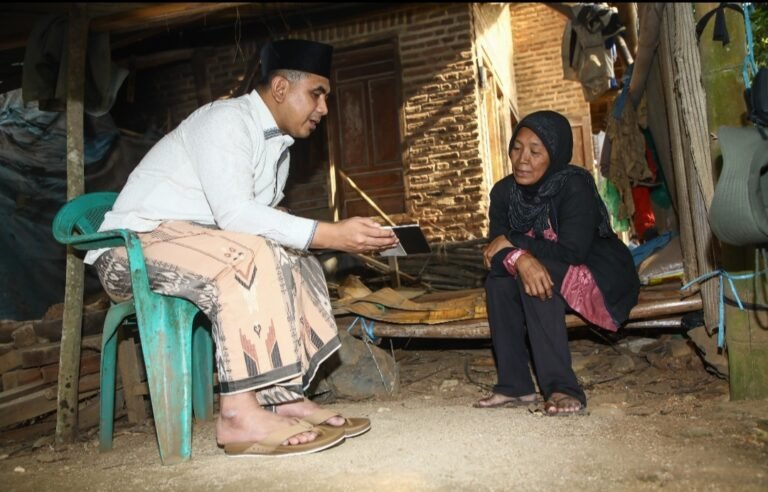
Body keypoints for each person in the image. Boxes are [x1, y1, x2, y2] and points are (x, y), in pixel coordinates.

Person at [84, 39, 400, 456]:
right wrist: (331, 233)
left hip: (190, 243)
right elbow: (235, 215)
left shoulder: (278, 148)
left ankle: (282, 397)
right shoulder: (226, 121)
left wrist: (314, 235)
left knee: (293, 256)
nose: (324, 108)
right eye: (317, 94)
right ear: (281, 88)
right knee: (249, 256)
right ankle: (237, 413)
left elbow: (257, 220)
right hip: (130, 253)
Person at [475, 110, 639, 416]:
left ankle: (562, 387)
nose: (522, 159)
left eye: (535, 152)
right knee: (498, 282)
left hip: (597, 271)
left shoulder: (574, 185)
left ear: (555, 153)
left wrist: (514, 243)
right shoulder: (504, 193)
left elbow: (572, 252)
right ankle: (515, 386)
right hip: (544, 270)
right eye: (516, 148)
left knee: (536, 280)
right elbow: (492, 254)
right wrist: (521, 258)